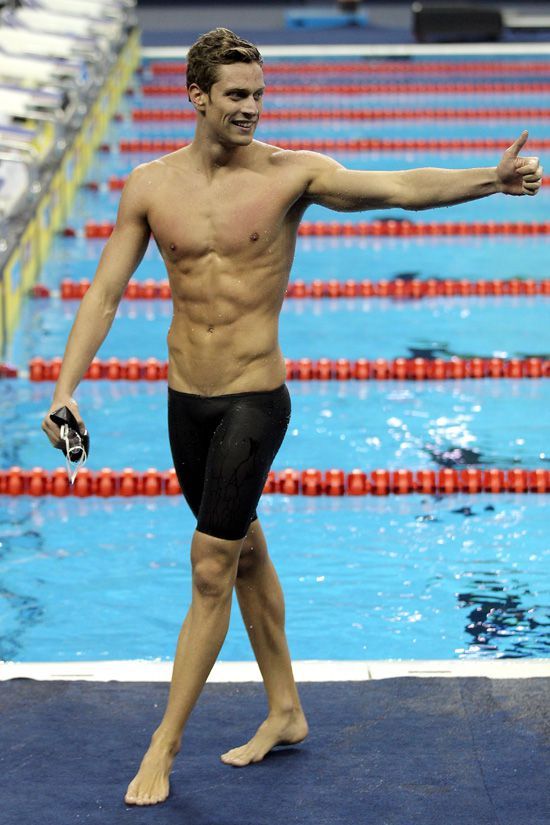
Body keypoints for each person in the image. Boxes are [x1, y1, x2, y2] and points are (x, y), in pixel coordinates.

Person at [41, 27, 542, 807]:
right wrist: (64, 388)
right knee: (240, 551)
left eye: (258, 95)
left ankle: (162, 745)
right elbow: (105, 291)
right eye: (235, 95)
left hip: (252, 398)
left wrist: (491, 179)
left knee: (210, 566)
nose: (250, 108)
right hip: (185, 402)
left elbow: (398, 190)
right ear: (197, 96)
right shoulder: (148, 185)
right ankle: (286, 708)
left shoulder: (290, 176)